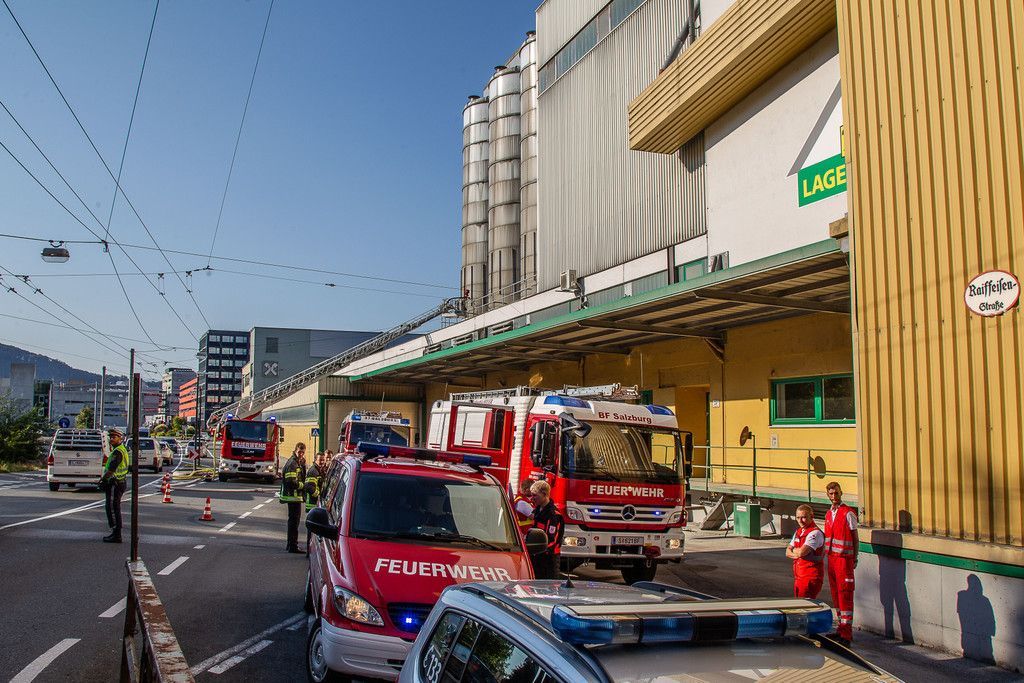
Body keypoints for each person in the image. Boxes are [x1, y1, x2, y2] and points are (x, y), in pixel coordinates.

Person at [824, 481, 859, 645]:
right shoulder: (828, 514)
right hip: (832, 559)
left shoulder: (848, 513)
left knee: (845, 596)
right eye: (831, 494)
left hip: (844, 560)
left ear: (841, 493)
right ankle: (840, 629)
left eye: (836, 493)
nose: (834, 496)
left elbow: (855, 538)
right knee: (836, 596)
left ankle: (847, 634)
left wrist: (854, 558)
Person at [100, 428, 131, 543]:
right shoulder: (120, 450)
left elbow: (112, 469)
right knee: (114, 507)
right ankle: (116, 533)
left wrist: (103, 480)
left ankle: (116, 534)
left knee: (112, 508)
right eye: (110, 437)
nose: (111, 439)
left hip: (115, 483)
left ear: (120, 439)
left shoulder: (118, 452)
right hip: (119, 482)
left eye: (114, 437)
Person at [786, 504, 824, 598]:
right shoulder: (799, 531)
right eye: (798, 517)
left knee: (804, 604)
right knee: (799, 603)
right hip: (799, 576)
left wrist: (795, 551)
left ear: (811, 516)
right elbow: (787, 552)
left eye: (804, 517)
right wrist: (797, 553)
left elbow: (801, 552)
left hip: (810, 577)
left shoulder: (815, 533)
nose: (800, 521)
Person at [529, 480, 564, 579]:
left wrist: (536, 548)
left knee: (548, 585)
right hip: (536, 556)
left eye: (535, 495)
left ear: (544, 495)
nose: (532, 498)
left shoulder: (553, 515)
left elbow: (552, 540)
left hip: (548, 559)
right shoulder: (538, 510)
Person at [280, 443, 307, 553]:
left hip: (294, 497)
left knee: (293, 521)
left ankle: (290, 544)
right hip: (293, 497)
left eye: (303, 452)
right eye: (299, 452)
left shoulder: (297, 462)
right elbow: (291, 482)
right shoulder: (293, 463)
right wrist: (303, 485)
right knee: (294, 522)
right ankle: (292, 546)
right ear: (295, 450)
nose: (301, 454)